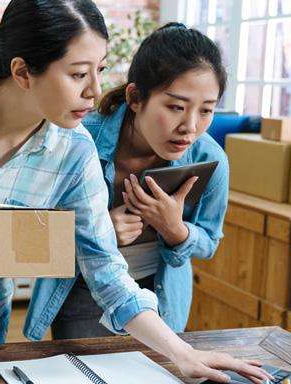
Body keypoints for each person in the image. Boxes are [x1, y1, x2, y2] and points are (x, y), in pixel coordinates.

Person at [0, 0, 271, 380]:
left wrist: (183, 353)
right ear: (23, 71)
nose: (95, 91)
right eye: (78, 74)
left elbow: (105, 269)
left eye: (99, 71)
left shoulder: (74, 150)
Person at [50, 22, 230, 339]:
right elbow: (34, 232)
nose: (190, 126)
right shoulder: (79, 139)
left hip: (162, 295)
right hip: (83, 289)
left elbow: (210, 242)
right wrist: (100, 233)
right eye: (175, 107)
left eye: (206, 110)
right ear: (135, 97)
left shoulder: (209, 160)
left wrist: (177, 229)